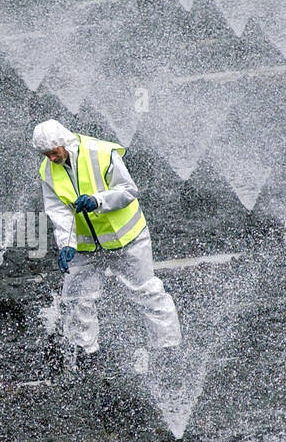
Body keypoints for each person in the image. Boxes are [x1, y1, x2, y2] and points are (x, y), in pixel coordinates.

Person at [33, 118, 182, 357]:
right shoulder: (48, 171)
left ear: (63, 143)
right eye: (45, 155)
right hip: (85, 246)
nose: (51, 159)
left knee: (147, 292)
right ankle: (85, 354)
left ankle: (168, 348)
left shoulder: (100, 152)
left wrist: (98, 200)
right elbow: (58, 211)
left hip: (127, 239)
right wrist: (66, 245)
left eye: (52, 152)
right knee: (77, 300)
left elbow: (128, 190)